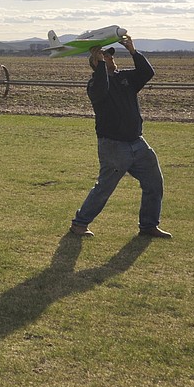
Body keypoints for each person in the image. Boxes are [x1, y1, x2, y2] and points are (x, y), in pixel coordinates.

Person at [69, 34, 171, 239]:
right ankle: (79, 224)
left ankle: (148, 225)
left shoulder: (125, 78)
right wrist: (99, 67)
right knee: (104, 188)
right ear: (97, 65)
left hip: (137, 143)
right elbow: (101, 89)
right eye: (106, 57)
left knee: (154, 182)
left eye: (111, 56)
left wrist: (133, 51)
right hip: (113, 146)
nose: (112, 59)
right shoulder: (94, 85)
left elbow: (147, 73)